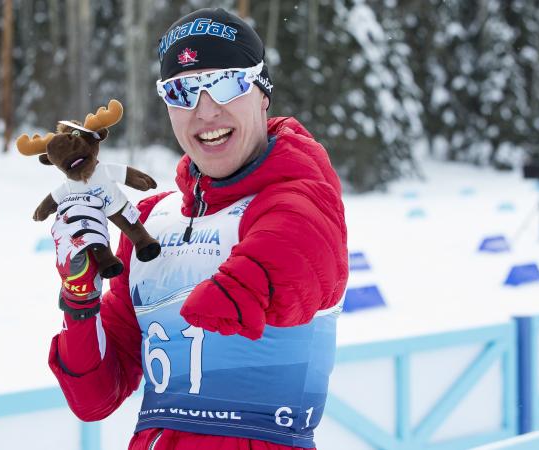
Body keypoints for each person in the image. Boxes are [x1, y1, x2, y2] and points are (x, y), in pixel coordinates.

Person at [48, 8, 348, 450]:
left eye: (226, 83)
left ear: (263, 94)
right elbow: (95, 397)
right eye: (182, 91)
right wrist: (80, 295)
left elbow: (294, 253)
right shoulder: (150, 224)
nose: (205, 110)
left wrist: (231, 291)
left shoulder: (300, 198)